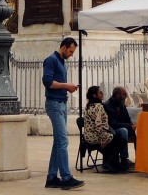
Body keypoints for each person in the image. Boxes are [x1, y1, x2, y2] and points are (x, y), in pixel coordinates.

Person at [41, 37, 83, 190]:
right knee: (63, 141)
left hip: (61, 103)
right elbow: (47, 82)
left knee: (58, 141)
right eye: (71, 51)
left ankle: (52, 177)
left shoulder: (60, 61)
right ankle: (66, 178)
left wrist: (68, 87)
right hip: (54, 104)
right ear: (64, 47)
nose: (71, 54)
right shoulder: (51, 60)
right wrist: (67, 85)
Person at [82, 86, 127, 172]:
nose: (102, 94)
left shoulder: (89, 106)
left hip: (88, 136)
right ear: (95, 95)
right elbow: (99, 125)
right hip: (95, 136)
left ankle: (111, 161)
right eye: (100, 93)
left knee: (115, 137)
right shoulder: (99, 106)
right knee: (121, 140)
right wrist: (104, 139)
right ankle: (110, 162)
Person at [102, 86, 135, 169]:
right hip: (111, 129)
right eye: (124, 94)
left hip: (120, 127)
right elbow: (113, 123)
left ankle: (140, 158)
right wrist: (129, 126)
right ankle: (124, 159)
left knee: (137, 131)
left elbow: (127, 118)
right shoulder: (107, 105)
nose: (126, 96)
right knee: (124, 131)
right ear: (117, 95)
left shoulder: (121, 104)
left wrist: (132, 126)